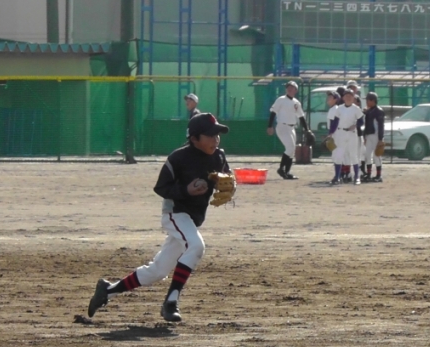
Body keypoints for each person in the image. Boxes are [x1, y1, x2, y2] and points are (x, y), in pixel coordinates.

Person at [87, 113, 231, 323]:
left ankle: (107, 290)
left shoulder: (218, 156)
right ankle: (171, 302)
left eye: (217, 134)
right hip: (175, 214)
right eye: (210, 135)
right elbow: (161, 187)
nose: (216, 139)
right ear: (194, 138)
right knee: (196, 246)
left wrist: (227, 186)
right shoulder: (178, 158)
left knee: (158, 270)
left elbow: (227, 178)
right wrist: (186, 190)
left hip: (193, 219)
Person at [266, 81, 313, 180]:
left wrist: (307, 129)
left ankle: (287, 173)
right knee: (290, 148)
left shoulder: (296, 102)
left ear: (296, 90)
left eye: (292, 87)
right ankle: (281, 169)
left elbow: (301, 117)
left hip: (291, 128)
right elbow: (273, 112)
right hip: (282, 126)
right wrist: (270, 126)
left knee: (292, 150)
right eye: (288, 87)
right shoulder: (281, 99)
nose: (289, 89)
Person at [328, 89, 364, 185]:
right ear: (343, 98)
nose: (348, 97)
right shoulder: (339, 108)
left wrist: (355, 125)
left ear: (353, 97)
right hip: (341, 132)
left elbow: (361, 121)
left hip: (352, 133)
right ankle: (337, 177)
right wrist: (331, 133)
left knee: (353, 154)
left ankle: (357, 177)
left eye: (350, 96)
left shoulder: (356, 108)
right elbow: (335, 122)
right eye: (346, 96)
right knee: (339, 155)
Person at [363, 92, 385, 183]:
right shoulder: (369, 111)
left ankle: (379, 175)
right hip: (369, 135)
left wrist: (380, 139)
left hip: (376, 136)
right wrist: (364, 136)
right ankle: (368, 174)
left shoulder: (379, 111)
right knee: (367, 155)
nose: (366, 102)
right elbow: (366, 125)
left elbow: (381, 126)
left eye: (368, 100)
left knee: (377, 156)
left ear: (373, 100)